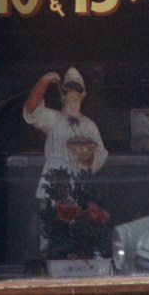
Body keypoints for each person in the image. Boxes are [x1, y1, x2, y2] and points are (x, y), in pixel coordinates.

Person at [23, 66, 108, 201]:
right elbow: (31, 111)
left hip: (79, 186)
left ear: (83, 94)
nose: (74, 92)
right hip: (53, 185)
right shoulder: (53, 118)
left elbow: (101, 155)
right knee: (50, 219)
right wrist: (44, 80)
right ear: (63, 94)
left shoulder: (90, 125)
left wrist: (87, 156)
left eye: (78, 89)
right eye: (69, 89)